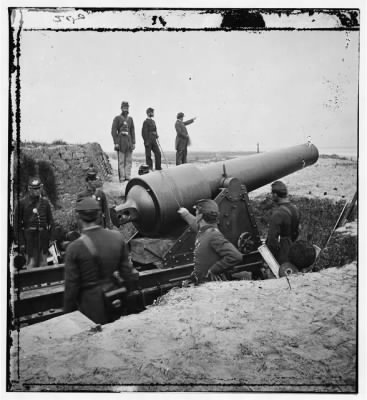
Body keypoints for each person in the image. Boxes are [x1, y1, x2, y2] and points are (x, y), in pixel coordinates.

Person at [64, 197, 139, 324]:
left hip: (90, 306)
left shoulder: (74, 248)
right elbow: (127, 274)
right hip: (115, 299)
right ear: (99, 215)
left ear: (79, 217)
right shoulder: (117, 238)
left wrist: (68, 314)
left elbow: (71, 287)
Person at [177, 199, 243, 284]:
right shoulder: (205, 231)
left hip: (211, 286)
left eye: (196, 211)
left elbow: (236, 256)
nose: (195, 213)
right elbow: (196, 225)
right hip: (202, 282)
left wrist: (214, 270)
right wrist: (185, 214)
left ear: (200, 216)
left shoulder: (214, 236)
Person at [13, 177, 54, 268]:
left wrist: (51, 238)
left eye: (39, 188)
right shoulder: (22, 203)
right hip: (29, 240)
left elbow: (51, 221)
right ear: (29, 189)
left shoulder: (45, 203)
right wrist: (22, 242)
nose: (37, 190)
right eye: (35, 189)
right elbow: (17, 226)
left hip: (43, 239)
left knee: (44, 266)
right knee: (31, 265)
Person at [266, 181, 300, 265]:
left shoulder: (278, 214)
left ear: (275, 195)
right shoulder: (295, 209)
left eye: (272, 194)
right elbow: (297, 231)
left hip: (283, 255)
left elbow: (272, 240)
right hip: (295, 250)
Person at [111, 101, 136, 182]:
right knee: (121, 161)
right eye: (124, 107)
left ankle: (127, 176)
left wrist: (133, 142)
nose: (126, 109)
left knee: (129, 160)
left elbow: (132, 131)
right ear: (121, 108)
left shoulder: (130, 119)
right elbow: (113, 131)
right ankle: (122, 177)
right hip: (121, 141)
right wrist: (116, 143)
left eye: (127, 107)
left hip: (129, 142)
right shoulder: (117, 118)